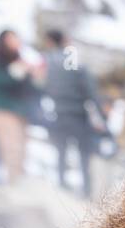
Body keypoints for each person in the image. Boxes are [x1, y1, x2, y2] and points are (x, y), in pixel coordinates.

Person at [42, 29, 104, 197]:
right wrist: (102, 119)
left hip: (57, 115)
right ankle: (86, 192)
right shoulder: (75, 62)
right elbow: (90, 92)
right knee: (83, 155)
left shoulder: (46, 63)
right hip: (78, 115)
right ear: (65, 41)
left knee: (61, 153)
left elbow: (41, 89)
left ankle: (62, 189)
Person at [0, 30, 40, 183]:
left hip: (20, 111)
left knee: (22, 147)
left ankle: (19, 180)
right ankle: (13, 180)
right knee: (10, 147)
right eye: (11, 39)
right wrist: (15, 72)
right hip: (2, 109)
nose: (15, 42)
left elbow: (31, 88)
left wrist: (32, 74)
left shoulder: (20, 60)